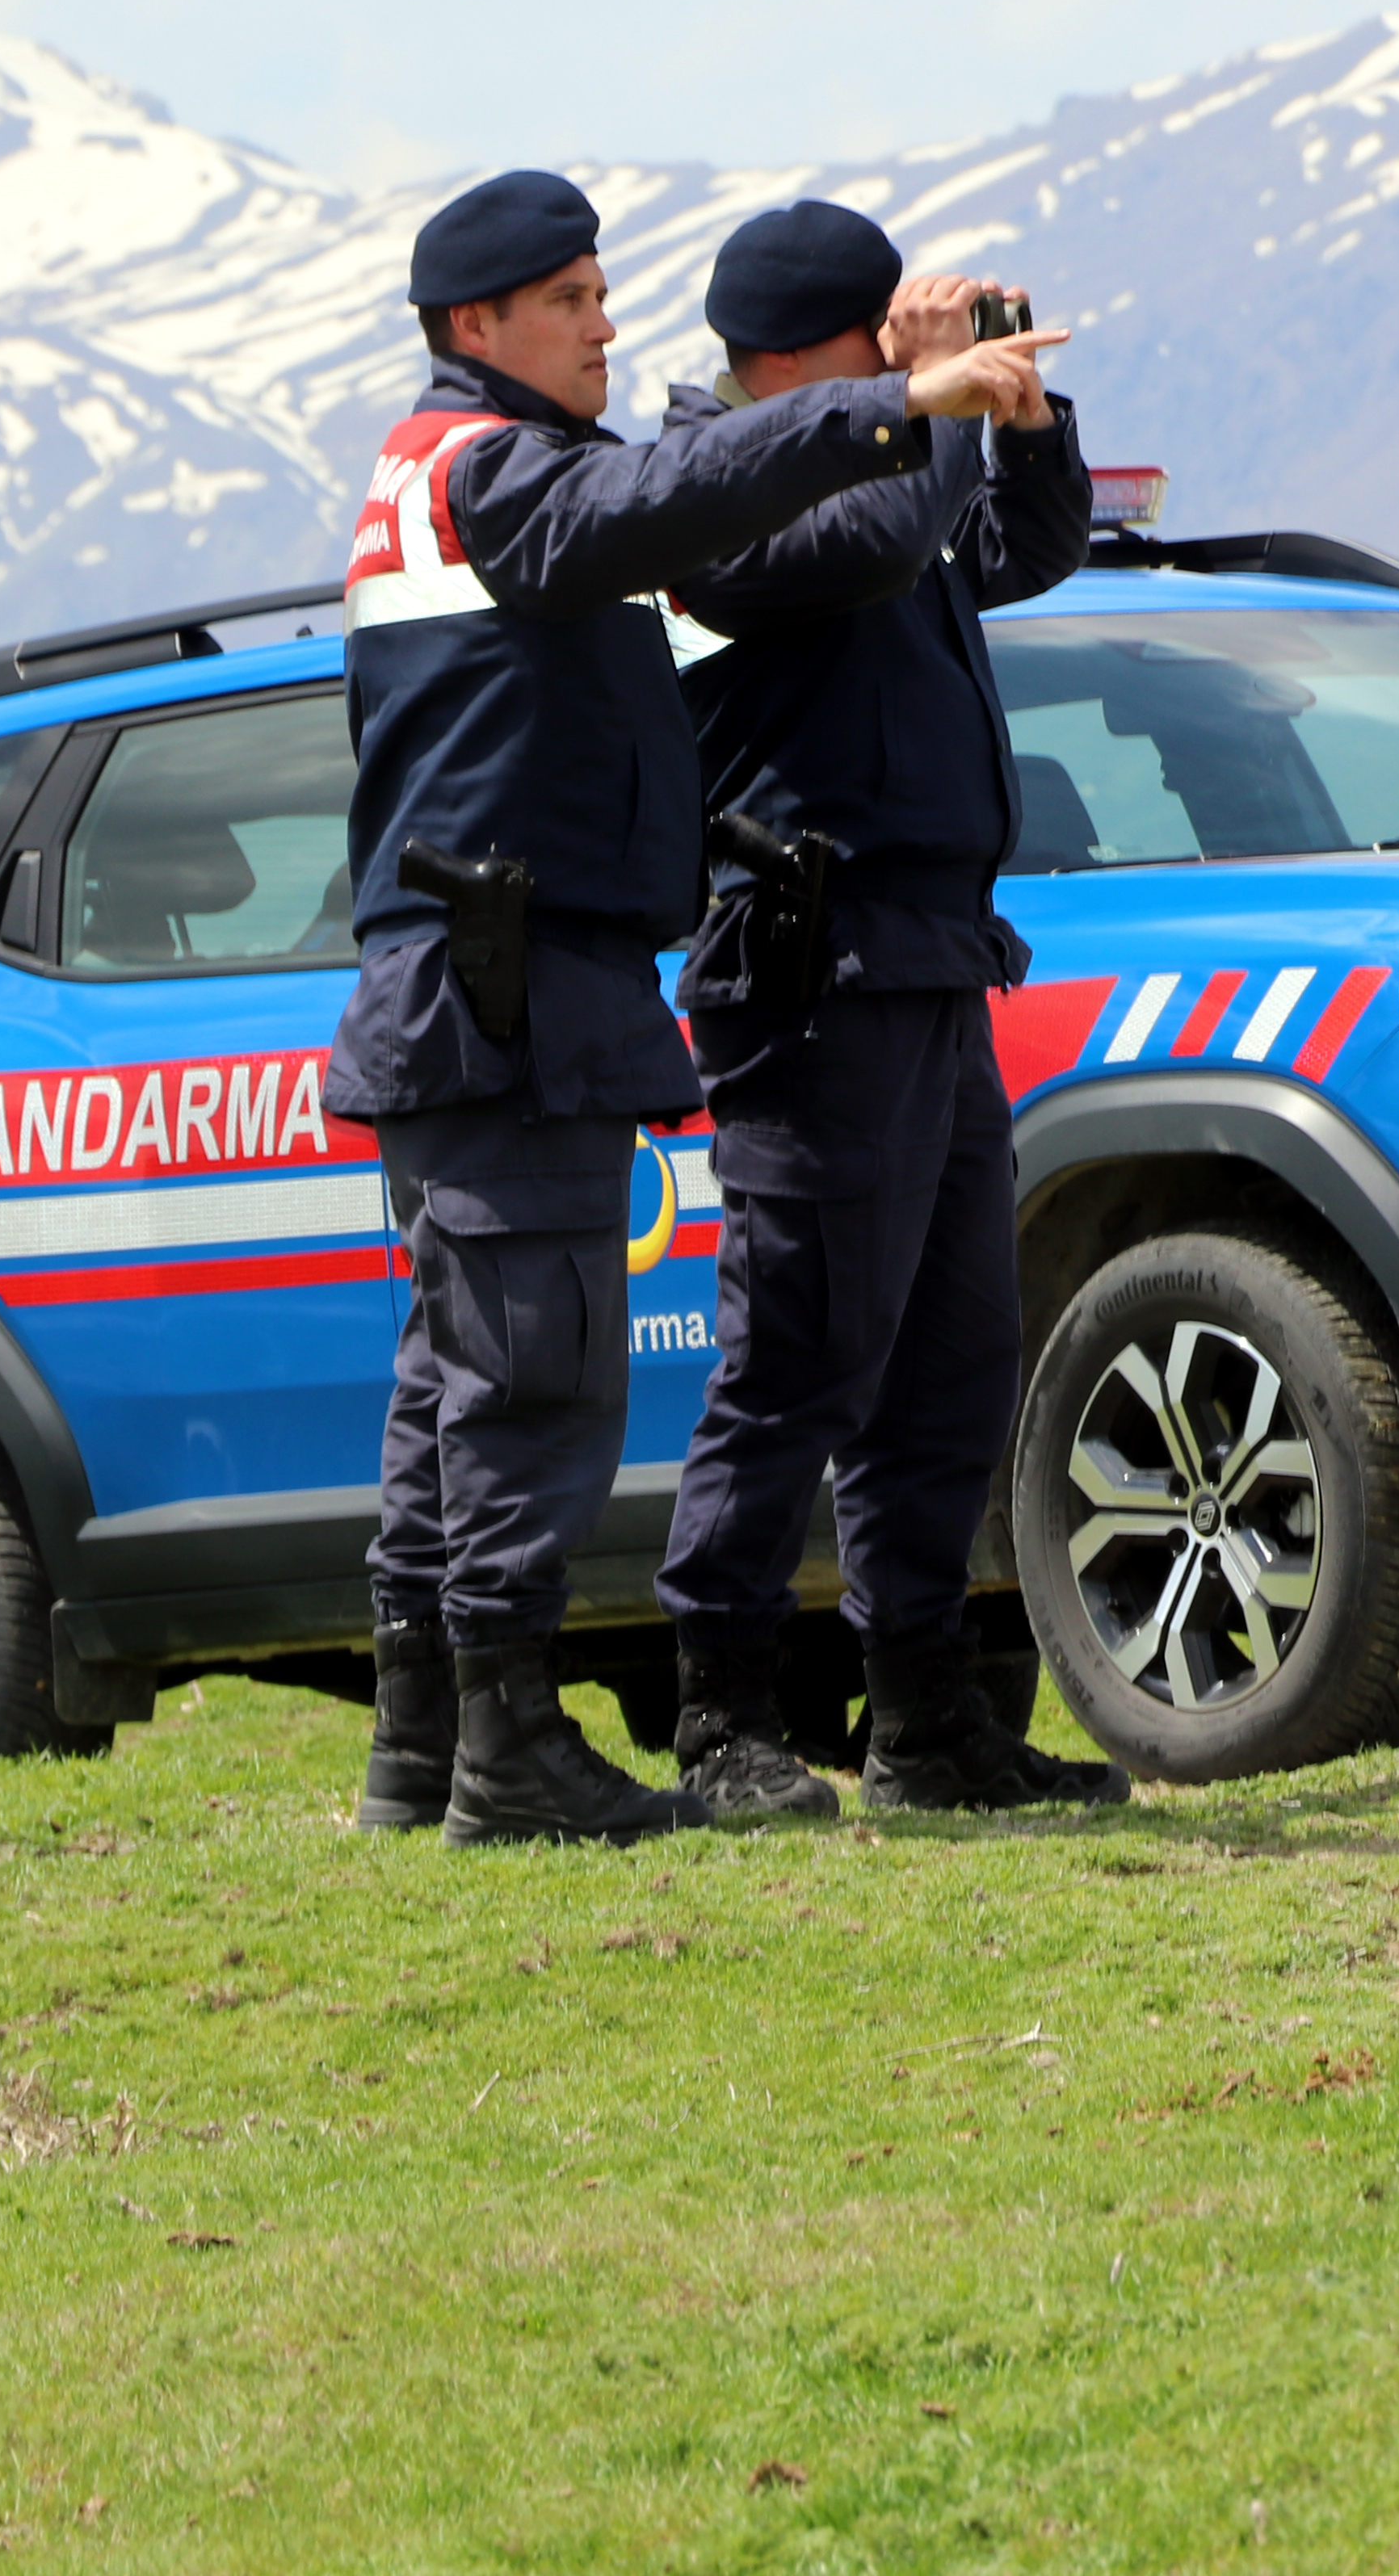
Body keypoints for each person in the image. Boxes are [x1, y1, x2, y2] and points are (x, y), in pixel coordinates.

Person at [334, 170, 1060, 1847]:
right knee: (538, 1365)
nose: (607, 318)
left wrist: (978, 404)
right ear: (475, 324)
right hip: (525, 982)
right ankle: (511, 1747)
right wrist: (911, 403)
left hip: (526, 974)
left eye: (603, 288)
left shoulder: (473, 473)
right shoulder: (502, 472)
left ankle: (427, 1745)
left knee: (470, 1369)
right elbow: (738, 498)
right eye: (572, 296)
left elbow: (966, 538)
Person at [651, 199, 1130, 1818]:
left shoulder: (875, 464)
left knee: (948, 1353)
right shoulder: (708, 486)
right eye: (887, 341)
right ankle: (721, 1714)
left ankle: (926, 1720)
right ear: (799, 352)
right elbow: (862, 542)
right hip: (809, 960)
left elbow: (1020, 548)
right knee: (800, 1345)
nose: (909, 369)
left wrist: (1024, 417)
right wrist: (923, 407)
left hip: (928, 957)